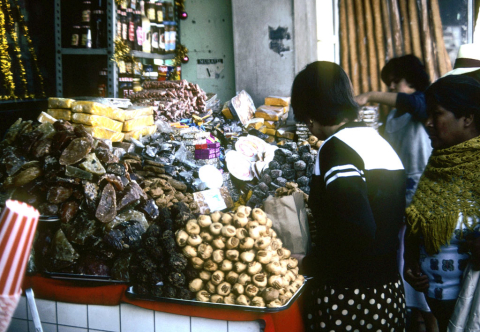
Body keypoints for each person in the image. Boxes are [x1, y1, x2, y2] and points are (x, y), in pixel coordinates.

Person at [292, 61, 407, 331]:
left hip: (351, 296)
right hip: (387, 293)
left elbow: (357, 229)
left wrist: (308, 263)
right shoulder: (380, 142)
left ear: (310, 110)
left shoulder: (336, 149)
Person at [356, 55, 437, 332]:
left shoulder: (424, 103)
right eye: (387, 84)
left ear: (413, 81)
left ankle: (429, 317)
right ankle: (412, 314)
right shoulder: (393, 113)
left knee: (420, 255)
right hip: (397, 189)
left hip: (423, 189)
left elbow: (411, 102)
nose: (391, 89)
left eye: (395, 82)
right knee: (404, 254)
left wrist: (369, 95)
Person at [404, 75, 480, 332]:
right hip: (436, 300)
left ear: (467, 118)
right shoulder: (440, 162)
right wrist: (410, 259)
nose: (428, 123)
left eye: (436, 114)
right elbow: (418, 218)